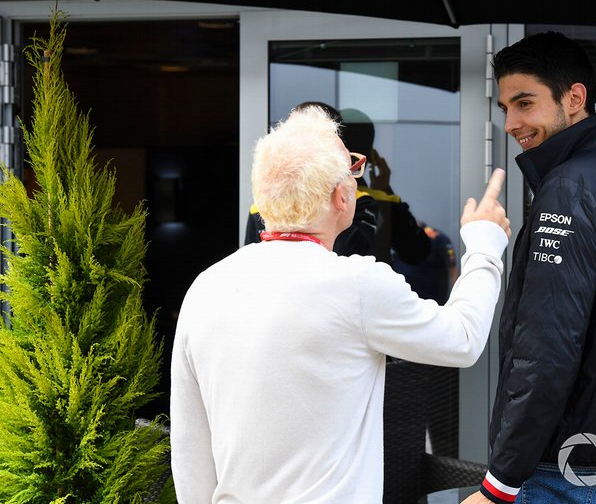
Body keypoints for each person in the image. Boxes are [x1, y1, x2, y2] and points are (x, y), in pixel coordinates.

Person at [170, 105, 511, 503]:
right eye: (351, 166)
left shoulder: (206, 287)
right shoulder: (357, 285)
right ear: (340, 195)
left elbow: (190, 448)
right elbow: (463, 339)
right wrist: (485, 245)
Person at [462, 32, 596, 504]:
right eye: (505, 107)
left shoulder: (568, 188)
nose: (510, 123)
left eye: (524, 103)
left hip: (561, 470)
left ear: (575, 98)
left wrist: (500, 482)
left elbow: (546, 348)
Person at [243, 101, 379, 258]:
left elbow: (351, 250)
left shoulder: (357, 200)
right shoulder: (261, 204)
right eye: (291, 133)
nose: (297, 143)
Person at [339, 107, 432, 267]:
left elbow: (418, 251)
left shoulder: (312, 199)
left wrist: (383, 192)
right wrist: (385, 192)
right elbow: (417, 252)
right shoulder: (380, 202)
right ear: (371, 155)